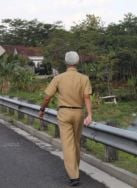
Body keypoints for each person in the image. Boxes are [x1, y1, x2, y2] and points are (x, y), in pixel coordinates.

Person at [38, 51, 92, 187]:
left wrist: (42, 109)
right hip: (79, 113)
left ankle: (74, 176)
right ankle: (75, 168)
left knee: (68, 145)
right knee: (76, 143)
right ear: (77, 62)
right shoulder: (84, 78)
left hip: (64, 112)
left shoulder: (58, 78)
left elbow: (47, 97)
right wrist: (89, 114)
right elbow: (87, 97)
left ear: (66, 63)